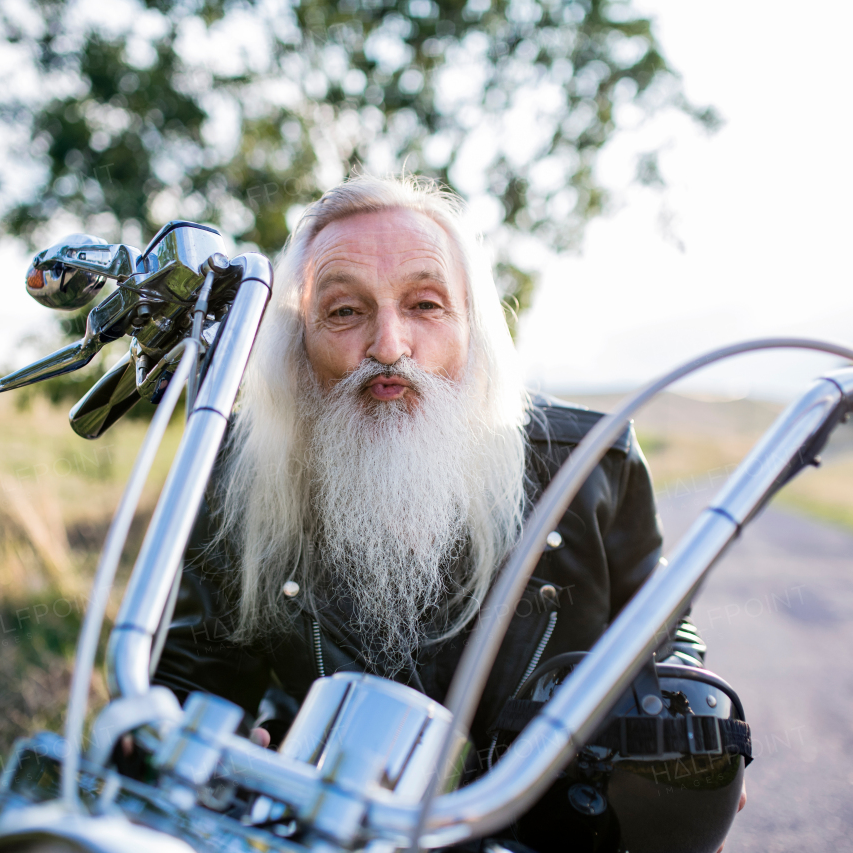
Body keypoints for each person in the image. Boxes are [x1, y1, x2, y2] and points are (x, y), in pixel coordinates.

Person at [153, 174, 743, 850]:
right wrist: (224, 746)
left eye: (425, 305)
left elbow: (661, 627)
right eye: (344, 311)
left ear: (473, 327)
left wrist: (695, 730)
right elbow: (186, 682)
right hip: (329, 825)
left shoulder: (590, 464)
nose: (390, 346)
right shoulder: (238, 479)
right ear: (298, 342)